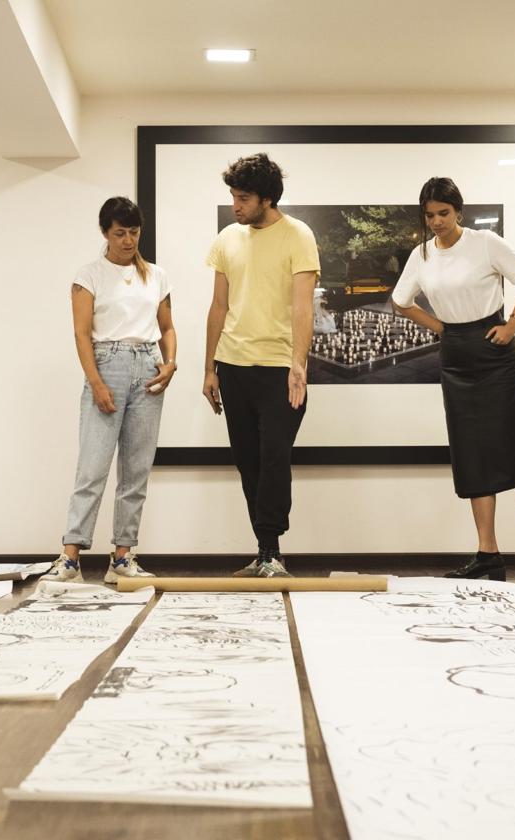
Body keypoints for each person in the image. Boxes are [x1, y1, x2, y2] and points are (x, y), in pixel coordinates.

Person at [391, 177, 515, 581]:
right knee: (472, 453)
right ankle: (488, 552)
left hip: (496, 350)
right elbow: (400, 302)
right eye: (429, 215)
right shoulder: (421, 254)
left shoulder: (485, 242)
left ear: (458, 211)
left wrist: (513, 324)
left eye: (443, 213)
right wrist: (441, 327)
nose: (436, 222)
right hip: (456, 355)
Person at [45, 197, 177, 583]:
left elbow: (167, 327)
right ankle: (70, 556)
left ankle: (122, 555)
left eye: (134, 232)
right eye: (120, 233)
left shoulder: (156, 275)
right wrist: (96, 381)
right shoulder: (89, 276)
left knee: (136, 468)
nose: (127, 240)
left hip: (149, 366)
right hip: (108, 362)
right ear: (105, 233)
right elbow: (81, 334)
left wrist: (170, 364)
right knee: (93, 466)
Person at [201, 153, 320, 578]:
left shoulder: (298, 236)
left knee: (274, 459)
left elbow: (303, 307)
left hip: (279, 370)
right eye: (233, 196)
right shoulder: (227, 239)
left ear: (267, 198)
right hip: (233, 367)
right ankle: (267, 551)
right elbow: (218, 306)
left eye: (244, 197)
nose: (236, 205)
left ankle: (270, 549)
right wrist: (209, 368)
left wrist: (299, 365)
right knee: (248, 461)